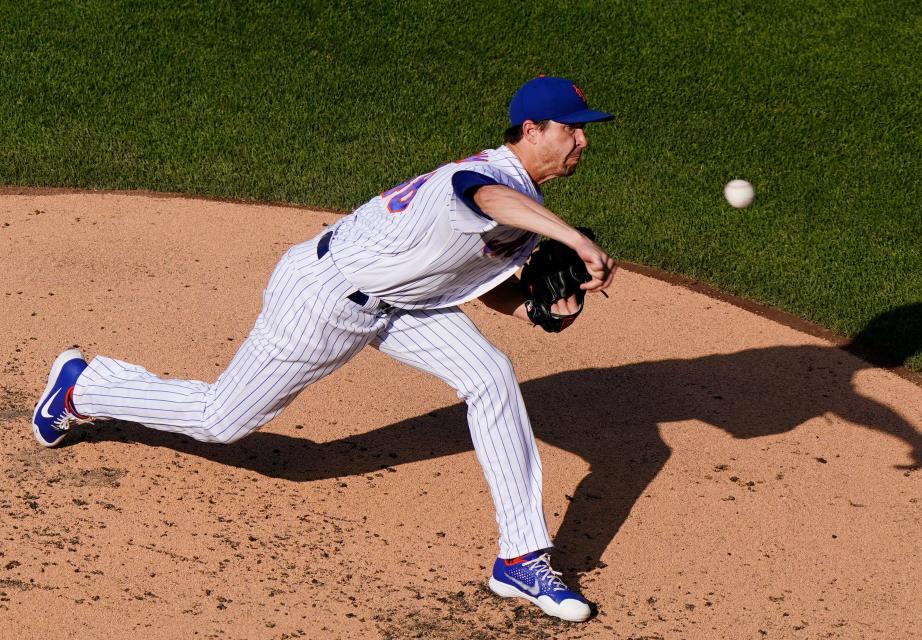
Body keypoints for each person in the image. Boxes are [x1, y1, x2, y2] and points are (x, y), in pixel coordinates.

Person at [31, 76, 617, 622]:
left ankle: (520, 559)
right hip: (326, 297)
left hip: (402, 304)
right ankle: (84, 388)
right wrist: (567, 236)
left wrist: (537, 307)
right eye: (573, 129)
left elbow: (472, 281)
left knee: (490, 375)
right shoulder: (481, 181)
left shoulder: (525, 200)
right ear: (533, 129)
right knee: (221, 420)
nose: (584, 141)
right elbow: (482, 198)